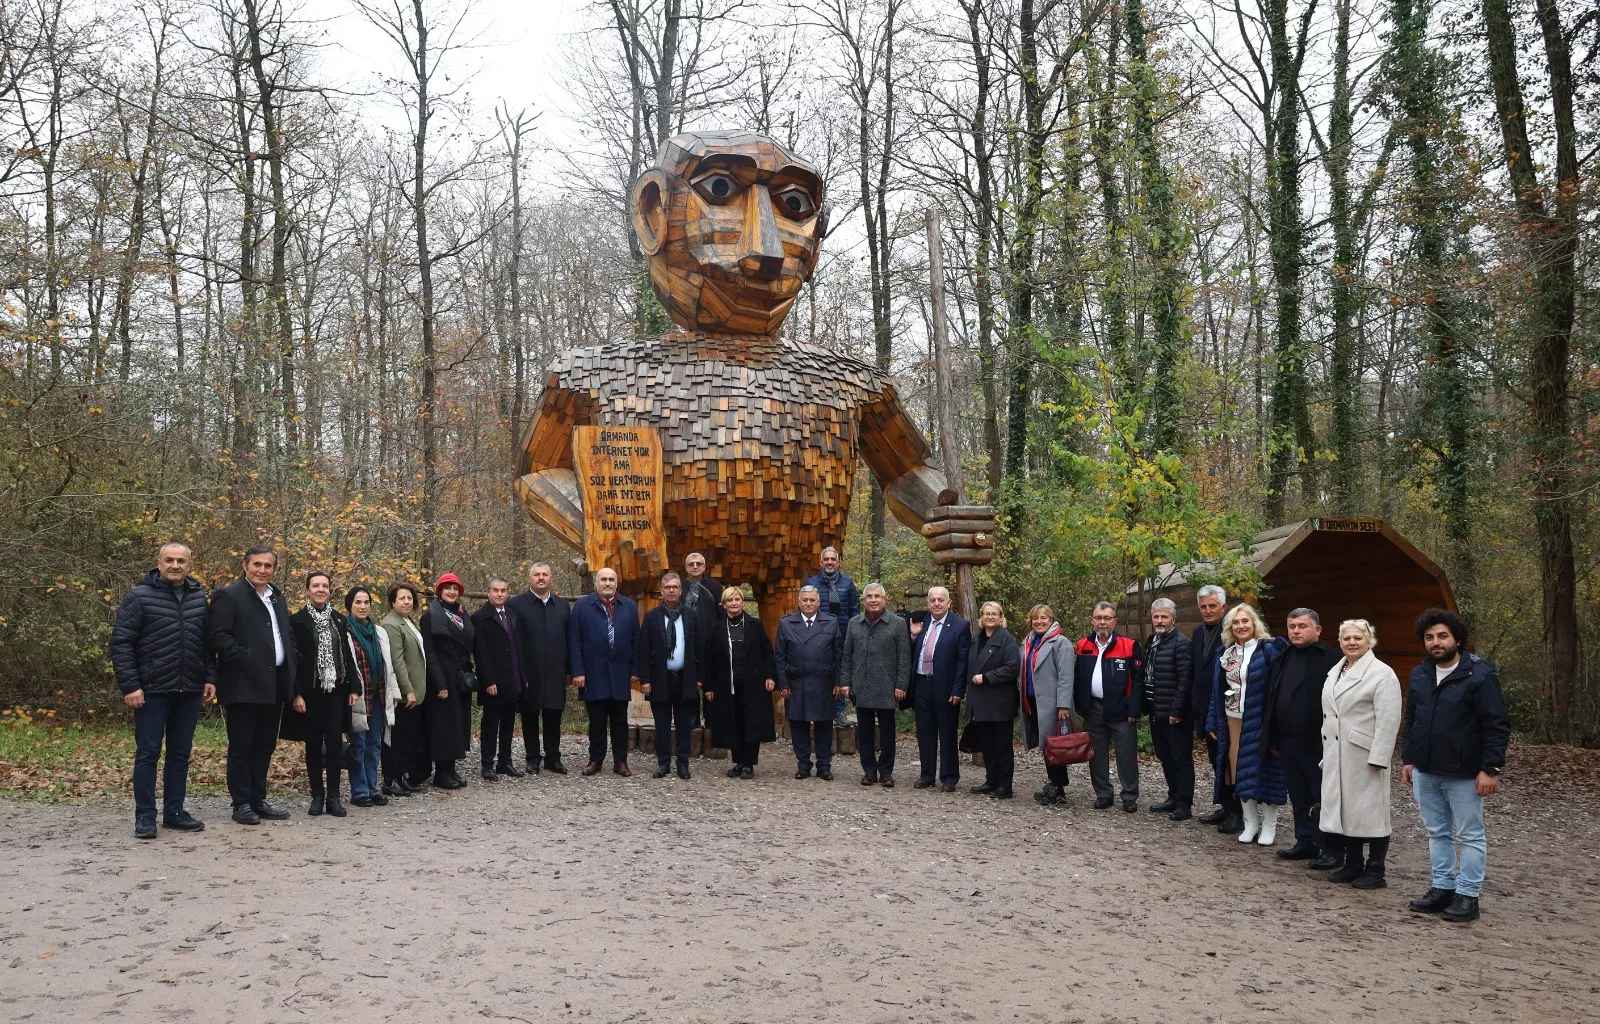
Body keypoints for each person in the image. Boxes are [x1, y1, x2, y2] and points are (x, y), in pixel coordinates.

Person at [1403, 608, 1509, 923]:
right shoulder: (1420, 673)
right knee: (1437, 832)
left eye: (1442, 636)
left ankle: (1468, 895)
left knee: (1470, 834)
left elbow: (1496, 724)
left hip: (1464, 772)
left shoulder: (1479, 674)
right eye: (1429, 637)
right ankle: (1442, 887)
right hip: (1425, 769)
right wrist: (1409, 758)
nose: (1436, 642)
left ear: (1458, 640)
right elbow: (1412, 720)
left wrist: (1491, 768)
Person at [111, 542, 215, 838]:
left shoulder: (198, 598)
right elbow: (121, 643)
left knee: (180, 754)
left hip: (189, 690)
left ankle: (174, 812)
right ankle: (145, 815)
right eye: (169, 560)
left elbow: (206, 644)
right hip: (152, 690)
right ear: (158, 563)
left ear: (189, 565)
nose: (175, 565)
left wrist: (210, 677)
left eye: (181, 560)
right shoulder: (139, 597)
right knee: (148, 754)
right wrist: (130, 685)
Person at [207, 545, 296, 826]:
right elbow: (218, 636)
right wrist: (246, 659)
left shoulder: (276, 598)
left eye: (268, 566)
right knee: (242, 746)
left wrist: (292, 657)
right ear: (245, 566)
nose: (262, 570)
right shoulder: (228, 596)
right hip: (243, 685)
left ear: (274, 569)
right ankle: (241, 802)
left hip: (274, 685)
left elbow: (286, 634)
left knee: (265, 745)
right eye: (257, 565)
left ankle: (258, 798)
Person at [1319, 619, 1403, 889]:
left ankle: (1376, 869)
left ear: (1370, 641)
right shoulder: (1335, 671)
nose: (1352, 643)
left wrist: (1379, 757)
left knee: (1373, 814)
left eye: (1358, 638)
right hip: (1337, 752)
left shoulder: (1382, 674)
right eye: (1346, 638)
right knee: (1347, 811)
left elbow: (1389, 720)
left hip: (1365, 756)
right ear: (1340, 642)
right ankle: (1352, 863)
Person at [1264, 608, 1343, 863]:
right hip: (1288, 740)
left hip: (1320, 743)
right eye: (1292, 626)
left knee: (1324, 796)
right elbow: (1273, 698)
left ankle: (1332, 849)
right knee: (1298, 794)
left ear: (1317, 630)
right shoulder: (1283, 657)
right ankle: (1305, 840)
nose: (1296, 631)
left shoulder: (1334, 659)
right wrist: (1272, 737)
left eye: (1302, 626)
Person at [1206, 604, 1289, 842]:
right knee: (1240, 774)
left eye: (1245, 621)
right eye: (1236, 622)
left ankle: (1270, 826)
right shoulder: (1225, 653)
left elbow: (1279, 690)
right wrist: (1212, 720)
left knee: (1268, 773)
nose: (1241, 626)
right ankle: (1250, 823)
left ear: (1254, 624)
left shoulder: (1270, 650)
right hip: (1233, 721)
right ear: (1230, 627)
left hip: (1262, 723)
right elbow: (1217, 690)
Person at [281, 572, 359, 816]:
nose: (320, 589)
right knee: (313, 744)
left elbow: (347, 654)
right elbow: (292, 661)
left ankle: (334, 797)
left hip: (336, 690)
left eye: (325, 586)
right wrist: (296, 693)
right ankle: (317, 795)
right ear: (307, 590)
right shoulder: (297, 621)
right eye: (315, 585)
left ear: (330, 590)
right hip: (310, 692)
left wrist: (354, 686)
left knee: (335, 744)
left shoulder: (338, 620)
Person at [569, 567, 641, 776]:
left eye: (611, 579)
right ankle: (595, 760)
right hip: (593, 673)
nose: (607, 583)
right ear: (596, 583)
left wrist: (635, 669)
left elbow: (636, 640)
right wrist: (578, 672)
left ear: (616, 583)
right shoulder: (582, 606)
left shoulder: (629, 606)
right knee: (597, 721)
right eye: (603, 579)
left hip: (620, 673)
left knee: (620, 721)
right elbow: (575, 641)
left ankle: (621, 761)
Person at [1074, 602, 1144, 812]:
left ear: (1115, 621)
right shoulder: (1082, 645)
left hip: (1122, 711)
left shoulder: (1129, 645)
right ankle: (1103, 794)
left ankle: (1129, 796)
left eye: (1107, 618)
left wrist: (1134, 709)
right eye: (1098, 618)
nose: (1102, 622)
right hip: (1093, 709)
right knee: (1097, 755)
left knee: (1126, 755)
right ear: (1092, 620)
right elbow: (1078, 678)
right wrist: (1080, 705)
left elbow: (1139, 681)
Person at [703, 586, 777, 778]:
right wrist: (709, 686)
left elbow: (767, 652)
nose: (734, 603)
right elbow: (708, 658)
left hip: (752, 683)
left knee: (750, 723)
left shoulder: (754, 625)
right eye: (730, 600)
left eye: (737, 599)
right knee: (733, 722)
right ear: (724, 603)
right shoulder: (717, 627)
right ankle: (738, 761)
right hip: (727, 684)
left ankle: (749, 764)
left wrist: (770, 676)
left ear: (742, 602)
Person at [840, 583, 909, 787]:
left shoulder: (897, 623)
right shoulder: (854, 623)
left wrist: (901, 684)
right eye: (869, 596)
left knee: (887, 732)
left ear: (884, 599)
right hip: (862, 685)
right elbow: (847, 655)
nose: (873, 600)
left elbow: (904, 658)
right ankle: (869, 770)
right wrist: (845, 681)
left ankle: (886, 772)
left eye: (877, 596)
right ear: (863, 600)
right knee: (865, 732)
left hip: (888, 687)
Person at [508, 562, 571, 774]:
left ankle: (553, 757)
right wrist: (519, 673)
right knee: (530, 715)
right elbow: (513, 641)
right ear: (529, 578)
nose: (541, 578)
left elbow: (569, 639)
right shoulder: (516, 604)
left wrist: (570, 669)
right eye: (537, 575)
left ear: (551, 579)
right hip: (529, 671)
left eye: (545, 575)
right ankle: (532, 757)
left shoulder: (562, 605)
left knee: (554, 715)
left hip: (555, 670)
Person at [776, 584, 842, 780]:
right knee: (798, 726)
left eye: (812, 600)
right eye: (805, 600)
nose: (808, 603)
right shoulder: (786, 623)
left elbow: (839, 655)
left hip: (824, 682)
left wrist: (839, 682)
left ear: (819, 602)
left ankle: (824, 766)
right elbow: (779, 656)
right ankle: (803, 765)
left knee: (823, 726)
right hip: (797, 683)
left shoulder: (831, 622)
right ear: (798, 602)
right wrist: (783, 684)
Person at [641, 573, 703, 779]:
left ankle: (683, 764)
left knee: (684, 724)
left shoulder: (691, 616)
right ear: (661, 590)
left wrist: (699, 677)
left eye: (675, 587)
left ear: (680, 590)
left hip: (685, 678)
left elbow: (699, 649)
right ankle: (663, 763)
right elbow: (644, 649)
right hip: (660, 678)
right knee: (662, 724)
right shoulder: (652, 616)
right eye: (667, 587)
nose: (671, 590)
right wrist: (646, 679)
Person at [909, 586, 972, 792]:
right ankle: (927, 775)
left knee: (947, 733)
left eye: (940, 600)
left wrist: (958, 690)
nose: (936, 603)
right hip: (921, 683)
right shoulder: (921, 622)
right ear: (928, 603)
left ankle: (949, 777)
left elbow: (963, 661)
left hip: (946, 687)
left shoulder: (960, 626)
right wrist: (913, 637)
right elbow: (911, 652)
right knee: (925, 731)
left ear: (948, 603)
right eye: (932, 600)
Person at [344, 586, 399, 807]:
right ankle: (359, 791)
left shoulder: (379, 632)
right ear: (350, 605)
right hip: (357, 697)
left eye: (366, 602)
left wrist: (394, 691)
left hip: (378, 695)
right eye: (358, 602)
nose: (363, 606)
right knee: (358, 744)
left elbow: (389, 665)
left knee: (375, 743)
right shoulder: (345, 629)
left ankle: (372, 787)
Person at [1143, 598, 1194, 820]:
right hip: (1156, 710)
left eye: (1164, 616)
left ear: (1174, 618)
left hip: (1175, 714)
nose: (1160, 620)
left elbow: (1185, 681)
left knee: (1181, 757)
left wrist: (1176, 711)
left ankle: (1184, 803)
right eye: (1156, 616)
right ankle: (1172, 796)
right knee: (1165, 755)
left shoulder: (1182, 643)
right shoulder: (1152, 641)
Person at [421, 573, 473, 790]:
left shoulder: (462, 613)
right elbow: (430, 652)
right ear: (439, 591)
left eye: (455, 588)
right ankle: (441, 772)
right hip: (441, 677)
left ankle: (451, 768)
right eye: (447, 588)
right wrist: (440, 683)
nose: (451, 592)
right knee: (443, 725)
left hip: (460, 675)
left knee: (457, 724)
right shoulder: (430, 615)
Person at [471, 577, 526, 782]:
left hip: (512, 678)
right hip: (493, 681)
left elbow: (518, 648)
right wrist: (488, 681)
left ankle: (505, 761)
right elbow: (480, 653)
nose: (500, 594)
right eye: (496, 590)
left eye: (503, 590)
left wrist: (523, 676)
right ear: (488, 593)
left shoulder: (512, 615)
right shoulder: (480, 617)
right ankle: (487, 764)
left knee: (508, 722)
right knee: (490, 723)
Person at [965, 601, 1020, 799]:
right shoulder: (976, 638)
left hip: (1000, 701)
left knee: (1002, 746)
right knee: (987, 745)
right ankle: (991, 781)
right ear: (981, 616)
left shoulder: (1006, 639)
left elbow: (1013, 667)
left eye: (994, 614)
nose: (990, 617)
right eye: (987, 613)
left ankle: (1005, 786)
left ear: (1001, 617)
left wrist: (987, 677)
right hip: (980, 701)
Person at [1022, 605, 1073, 806]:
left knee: (1055, 746)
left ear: (1051, 619)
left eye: (1043, 618)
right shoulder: (1029, 642)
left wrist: (1063, 705)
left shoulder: (1061, 643)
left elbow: (1066, 676)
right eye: (1035, 618)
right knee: (1046, 746)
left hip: (1053, 705)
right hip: (1034, 701)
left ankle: (1058, 788)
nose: (1039, 621)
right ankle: (1053, 782)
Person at [379, 582, 426, 797]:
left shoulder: (407, 621)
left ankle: (400, 776)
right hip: (403, 693)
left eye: (409, 598)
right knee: (395, 739)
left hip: (416, 690)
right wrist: (407, 690)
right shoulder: (391, 624)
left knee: (408, 737)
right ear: (392, 601)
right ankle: (390, 779)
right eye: (402, 598)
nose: (407, 602)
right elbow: (396, 661)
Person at [805, 546, 858, 730]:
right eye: (826, 559)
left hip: (843, 636)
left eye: (832, 559)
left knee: (841, 673)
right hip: (818, 637)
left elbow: (854, 612)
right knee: (819, 672)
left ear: (838, 562)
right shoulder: (812, 583)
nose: (829, 562)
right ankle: (817, 709)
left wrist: (853, 634)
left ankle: (840, 710)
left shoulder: (848, 584)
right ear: (820, 563)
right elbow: (806, 609)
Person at [1190, 585, 1230, 825]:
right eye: (1203, 606)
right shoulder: (1197, 633)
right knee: (1216, 760)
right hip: (1204, 708)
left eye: (1212, 606)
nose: (1207, 610)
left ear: (1223, 607)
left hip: (1226, 708)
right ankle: (1225, 805)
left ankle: (1237, 811)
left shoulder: (1232, 631)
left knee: (1229, 762)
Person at [681, 552, 723, 618]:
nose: (695, 567)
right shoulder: (679, 586)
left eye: (699, 564)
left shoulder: (715, 586)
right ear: (686, 567)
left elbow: (721, 612)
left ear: (704, 567)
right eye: (691, 564)